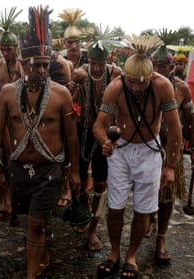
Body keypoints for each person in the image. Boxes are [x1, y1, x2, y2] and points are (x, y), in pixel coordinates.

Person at [0, 6, 81, 278]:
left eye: (44, 65)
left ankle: (32, 275)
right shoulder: (7, 94)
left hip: (49, 171)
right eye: (35, 65)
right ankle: (41, 260)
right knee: (33, 224)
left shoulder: (61, 94)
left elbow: (72, 136)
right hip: (19, 170)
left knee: (36, 225)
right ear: (22, 64)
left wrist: (74, 172)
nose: (41, 70)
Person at [92, 35, 182, 279]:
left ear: (151, 77)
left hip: (149, 151)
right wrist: (105, 143)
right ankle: (114, 253)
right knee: (115, 207)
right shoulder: (116, 87)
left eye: (140, 83)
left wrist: (171, 166)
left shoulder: (163, 86)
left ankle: (131, 255)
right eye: (131, 82)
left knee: (144, 209)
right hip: (121, 151)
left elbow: (175, 129)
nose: (135, 87)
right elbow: (99, 125)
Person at [71, 40, 122, 250]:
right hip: (83, 132)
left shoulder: (116, 74)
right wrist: (72, 88)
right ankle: (83, 214)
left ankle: (93, 228)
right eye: (94, 63)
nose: (97, 68)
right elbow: (70, 102)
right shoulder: (80, 72)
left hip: (104, 134)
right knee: (81, 181)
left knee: (100, 184)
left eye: (101, 64)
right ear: (88, 60)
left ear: (107, 61)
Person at [150, 45, 194, 264]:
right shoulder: (142, 83)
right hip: (147, 148)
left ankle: (161, 238)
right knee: (147, 192)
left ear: (172, 67)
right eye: (155, 64)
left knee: (167, 196)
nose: (158, 69)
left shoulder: (181, 88)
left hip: (170, 148)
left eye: (163, 65)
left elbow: (189, 120)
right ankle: (150, 219)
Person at [0, 7, 24, 225]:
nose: (5, 53)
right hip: (4, 120)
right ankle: (6, 203)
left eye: (9, 49)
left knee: (20, 160)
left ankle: (19, 202)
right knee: (4, 160)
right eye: (3, 49)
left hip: (21, 121)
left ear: (16, 48)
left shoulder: (24, 66)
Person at [57, 8, 88, 207]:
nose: (74, 46)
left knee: (83, 152)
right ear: (65, 43)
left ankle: (85, 182)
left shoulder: (89, 61)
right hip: (65, 115)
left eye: (76, 42)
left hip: (85, 117)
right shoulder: (60, 62)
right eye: (70, 42)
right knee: (65, 152)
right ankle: (66, 188)